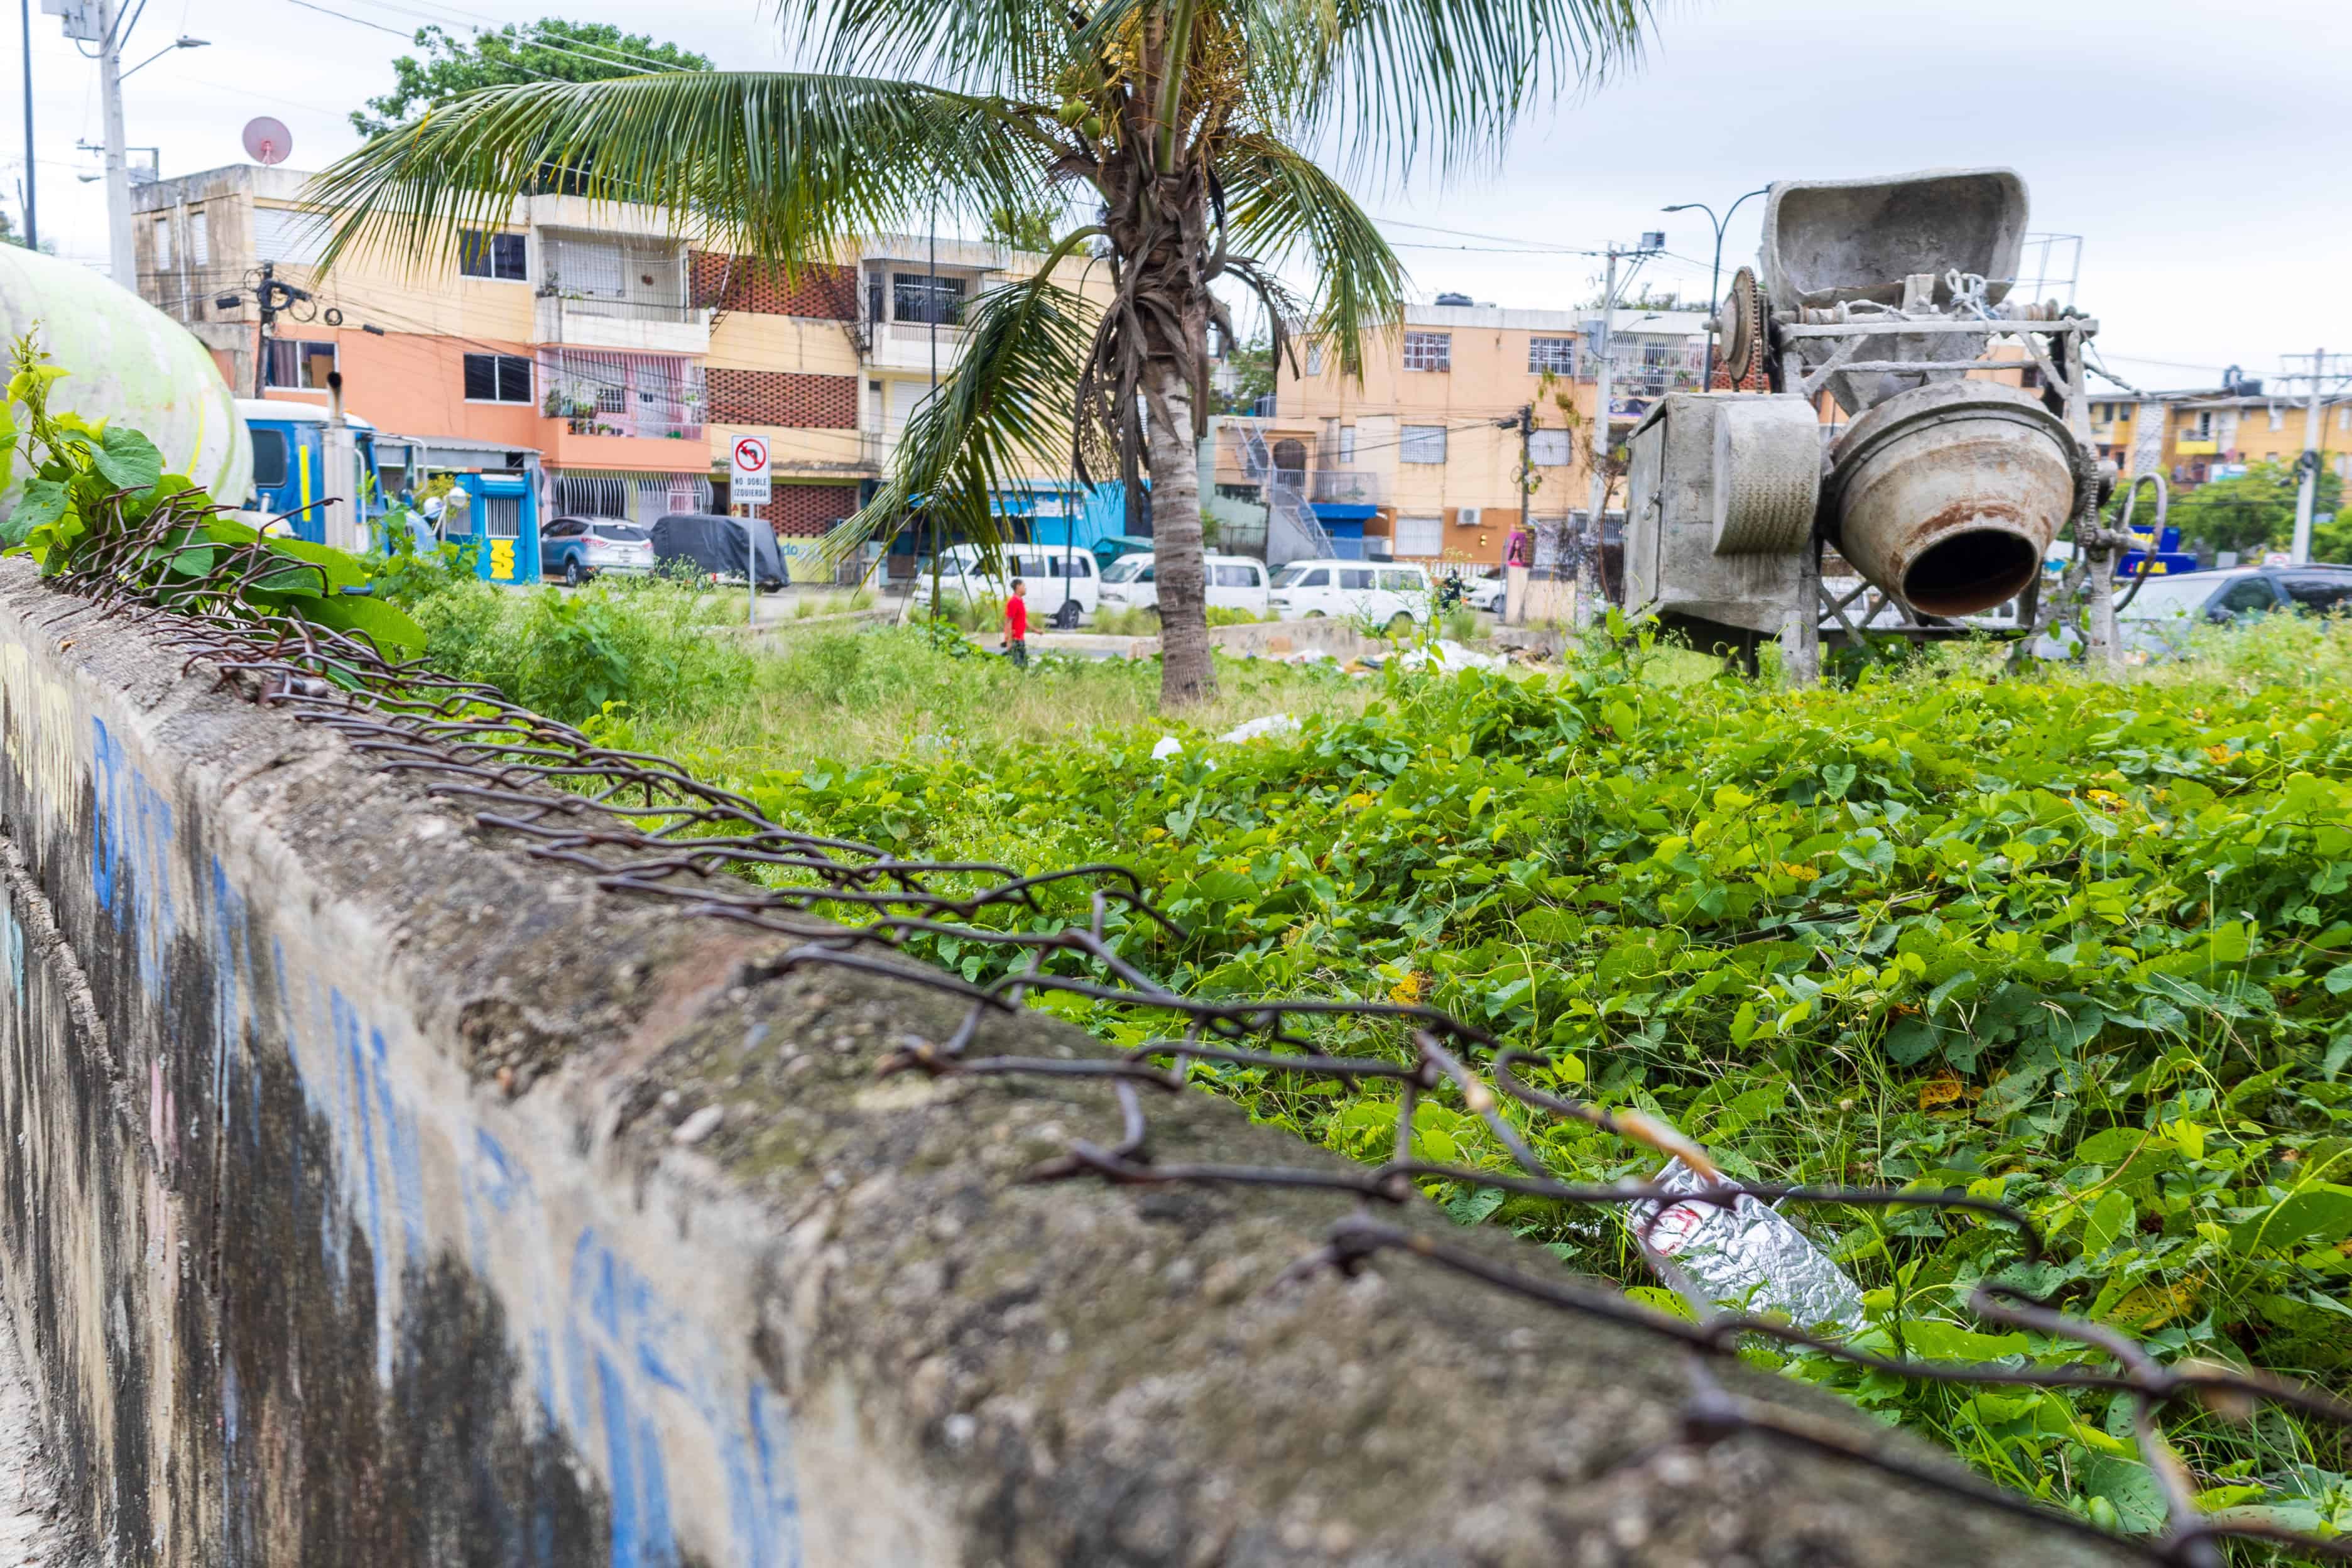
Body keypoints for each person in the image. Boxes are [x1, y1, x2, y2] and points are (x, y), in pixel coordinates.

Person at [1001, 578, 1029, 668]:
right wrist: (1009, 641)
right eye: (1024, 586)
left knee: (1023, 666)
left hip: (1020, 640)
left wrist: (1036, 630)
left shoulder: (1020, 601)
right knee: (1017, 666)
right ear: (1018, 587)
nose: (1025, 588)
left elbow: (1023, 620)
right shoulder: (1013, 602)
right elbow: (1009, 622)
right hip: (1015, 640)